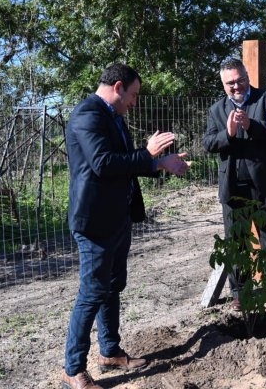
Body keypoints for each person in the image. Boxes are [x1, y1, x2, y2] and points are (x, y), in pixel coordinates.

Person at [62, 63, 190, 389]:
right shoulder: (88, 114)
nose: (134, 102)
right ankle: (73, 370)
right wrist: (149, 154)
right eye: (133, 95)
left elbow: (125, 164)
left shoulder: (115, 118)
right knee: (92, 293)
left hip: (118, 218)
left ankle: (109, 351)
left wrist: (160, 163)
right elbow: (104, 164)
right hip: (94, 222)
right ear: (118, 87)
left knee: (113, 286)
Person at [202, 58, 266, 311]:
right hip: (234, 187)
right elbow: (208, 143)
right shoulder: (217, 110)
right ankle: (240, 293)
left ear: (247, 77)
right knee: (237, 241)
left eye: (240, 80)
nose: (236, 86)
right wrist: (229, 134)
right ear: (223, 84)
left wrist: (249, 126)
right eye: (230, 83)